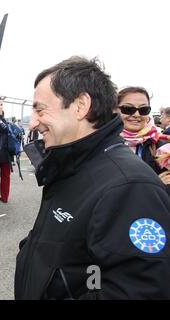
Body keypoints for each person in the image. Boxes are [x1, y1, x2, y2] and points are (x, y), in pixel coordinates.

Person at [15, 56, 170, 299]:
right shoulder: (74, 163)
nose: (33, 122)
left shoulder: (130, 187)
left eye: (40, 109)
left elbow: (137, 290)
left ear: (80, 106)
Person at [115, 87, 170, 186]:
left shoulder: (162, 146)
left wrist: (159, 187)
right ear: (115, 110)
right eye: (128, 109)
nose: (136, 114)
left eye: (143, 109)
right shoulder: (101, 143)